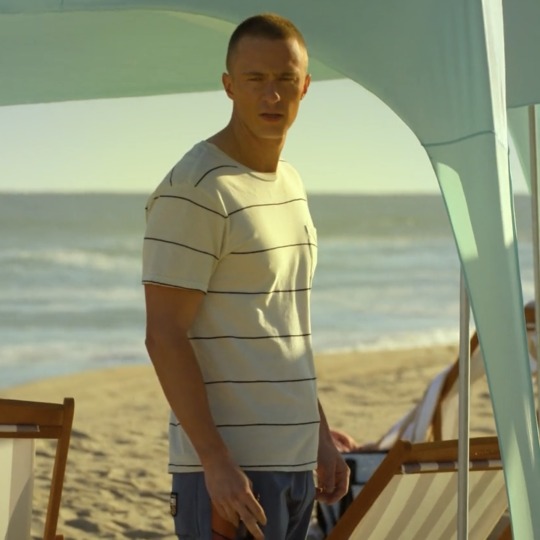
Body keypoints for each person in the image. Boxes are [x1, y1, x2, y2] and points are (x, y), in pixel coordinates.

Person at [143, 13, 349, 540]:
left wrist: (319, 434)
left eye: (285, 79)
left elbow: (280, 324)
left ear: (305, 86)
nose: (272, 95)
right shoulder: (196, 188)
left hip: (295, 463)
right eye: (255, 79)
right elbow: (164, 334)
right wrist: (214, 461)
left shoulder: (291, 183)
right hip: (231, 475)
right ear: (229, 86)